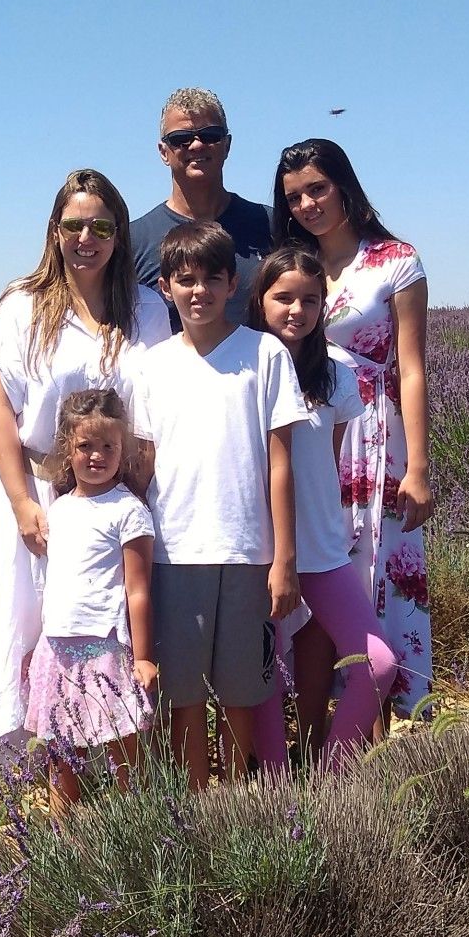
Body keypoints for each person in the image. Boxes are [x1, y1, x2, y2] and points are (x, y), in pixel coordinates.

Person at [0, 169, 170, 749]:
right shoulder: (23, 305)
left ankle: (115, 749)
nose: (87, 238)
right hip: (37, 490)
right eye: (73, 226)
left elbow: (162, 397)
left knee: (111, 623)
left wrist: (141, 480)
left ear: (120, 233)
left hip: (120, 497)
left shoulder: (147, 307)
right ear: (54, 231)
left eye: (102, 226)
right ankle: (36, 763)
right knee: (29, 618)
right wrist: (20, 505)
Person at [132, 220, 305, 790]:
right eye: (186, 280)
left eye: (212, 279)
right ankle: (199, 800)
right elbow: (143, 464)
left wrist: (284, 559)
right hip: (174, 551)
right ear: (166, 287)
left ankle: (234, 800)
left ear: (234, 284)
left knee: (241, 690)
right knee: (182, 694)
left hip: (248, 550)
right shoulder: (152, 367)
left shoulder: (265, 354)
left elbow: (281, 464)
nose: (198, 291)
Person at [273, 139, 432, 716]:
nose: (308, 204)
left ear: (343, 185)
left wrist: (417, 467)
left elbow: (411, 369)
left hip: (378, 439)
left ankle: (372, 735)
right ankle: (314, 732)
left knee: (377, 576)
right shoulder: (297, 266)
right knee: (316, 590)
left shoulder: (394, 260)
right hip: (311, 439)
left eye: (318, 188)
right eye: (294, 197)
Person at [245, 247, 398, 767]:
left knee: (377, 663)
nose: (297, 310)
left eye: (310, 300)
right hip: (257, 549)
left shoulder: (333, 371)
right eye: (283, 297)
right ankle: (275, 786)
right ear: (259, 299)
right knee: (263, 673)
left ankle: (330, 774)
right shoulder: (241, 362)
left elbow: (326, 462)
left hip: (322, 547)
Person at [24, 388, 158, 810]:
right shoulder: (59, 510)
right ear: (68, 448)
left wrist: (143, 655)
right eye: (85, 446)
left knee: (125, 753)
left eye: (108, 446)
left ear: (123, 450)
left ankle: (136, 829)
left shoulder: (128, 510)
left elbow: (138, 590)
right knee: (64, 758)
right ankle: (65, 847)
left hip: (107, 649)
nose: (97, 455)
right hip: (58, 649)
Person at [130, 88, 273, 327]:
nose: (196, 145)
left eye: (210, 135)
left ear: (227, 145)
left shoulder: (270, 224)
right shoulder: (134, 241)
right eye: (180, 138)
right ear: (163, 152)